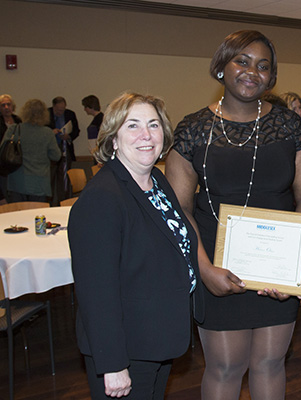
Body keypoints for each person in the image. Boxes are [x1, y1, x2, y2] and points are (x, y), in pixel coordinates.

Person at [166, 30, 301, 399]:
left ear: (272, 78)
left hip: (276, 271)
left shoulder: (289, 127)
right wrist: (204, 270)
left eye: (263, 66)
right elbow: (179, 210)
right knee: (225, 367)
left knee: (270, 364)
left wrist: (295, 270)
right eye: (242, 61)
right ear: (221, 67)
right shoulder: (192, 130)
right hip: (216, 264)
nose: (253, 71)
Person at [68, 92, 203, 399]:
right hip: (127, 351)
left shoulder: (156, 181)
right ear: (113, 139)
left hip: (156, 339)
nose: (146, 135)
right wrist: (113, 364)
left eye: (154, 125)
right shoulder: (102, 198)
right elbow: (96, 291)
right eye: (133, 126)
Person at [0, 99, 61, 203]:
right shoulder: (47, 133)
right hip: (39, 183)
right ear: (44, 114)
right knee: (37, 216)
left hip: (17, 182)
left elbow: (2, 151)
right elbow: (56, 156)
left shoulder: (14, 129)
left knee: (17, 216)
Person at [48, 96, 80, 204]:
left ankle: (64, 202)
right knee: (50, 179)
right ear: (53, 107)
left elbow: (76, 130)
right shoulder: (46, 114)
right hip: (51, 149)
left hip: (65, 148)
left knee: (65, 179)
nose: (60, 112)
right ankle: (50, 203)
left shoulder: (70, 114)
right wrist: (51, 132)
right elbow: (42, 131)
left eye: (62, 110)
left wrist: (69, 136)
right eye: (58, 110)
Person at [0, 94, 22, 203]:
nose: (6, 107)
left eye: (8, 104)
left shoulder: (18, 120)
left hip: (17, 161)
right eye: (3, 105)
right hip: (3, 162)